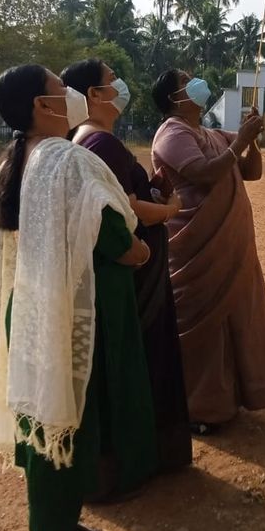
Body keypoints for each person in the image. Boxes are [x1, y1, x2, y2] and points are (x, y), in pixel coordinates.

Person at [0, 64, 158, 531]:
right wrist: (136, 250)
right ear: (43, 107)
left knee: (52, 424)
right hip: (62, 313)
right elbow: (109, 228)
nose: (68, 94)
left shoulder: (20, 158)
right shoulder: (63, 159)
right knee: (60, 426)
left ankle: (61, 530)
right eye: (57, 88)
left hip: (36, 306)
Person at [61, 58, 192, 472]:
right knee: (146, 355)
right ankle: (143, 455)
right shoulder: (101, 143)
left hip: (126, 264)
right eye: (112, 79)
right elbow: (126, 210)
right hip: (134, 264)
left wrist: (153, 188)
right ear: (95, 95)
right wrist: (169, 209)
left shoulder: (87, 140)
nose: (120, 85)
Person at [151, 69, 265, 435]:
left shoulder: (211, 133)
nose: (196, 83)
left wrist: (252, 141)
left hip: (229, 242)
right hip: (194, 245)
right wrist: (240, 140)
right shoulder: (172, 133)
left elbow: (250, 172)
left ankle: (233, 397)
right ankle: (199, 407)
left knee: (236, 318)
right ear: (174, 98)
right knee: (201, 326)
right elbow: (205, 173)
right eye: (186, 81)